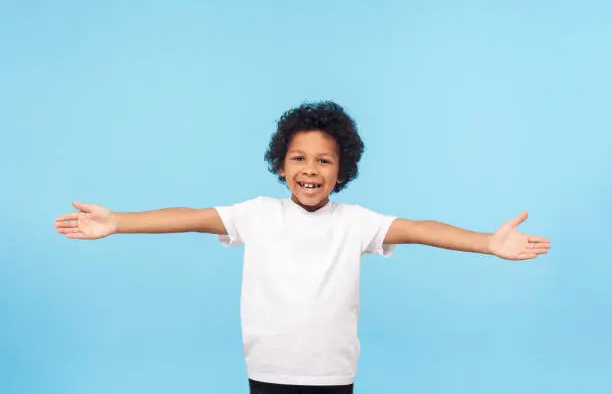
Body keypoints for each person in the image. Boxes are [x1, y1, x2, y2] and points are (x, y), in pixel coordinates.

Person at [54, 101, 551, 394]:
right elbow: (188, 217)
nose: (310, 170)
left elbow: (421, 228)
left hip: (332, 374)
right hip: (268, 369)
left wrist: (488, 243)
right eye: (299, 158)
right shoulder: (257, 213)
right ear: (281, 165)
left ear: (342, 170)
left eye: (323, 161)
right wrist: (117, 221)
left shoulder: (356, 223)